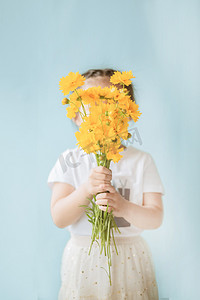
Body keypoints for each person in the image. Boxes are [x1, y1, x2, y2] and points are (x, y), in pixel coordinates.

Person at [47, 68, 165, 300]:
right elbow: (59, 217)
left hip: (130, 259)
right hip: (84, 258)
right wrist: (86, 190)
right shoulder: (69, 161)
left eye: (113, 103)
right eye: (93, 103)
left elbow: (156, 217)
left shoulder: (142, 161)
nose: (103, 112)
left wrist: (124, 207)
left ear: (128, 112)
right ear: (76, 114)